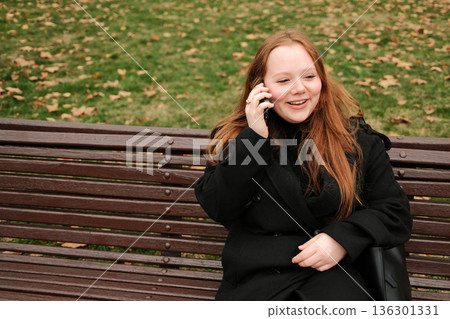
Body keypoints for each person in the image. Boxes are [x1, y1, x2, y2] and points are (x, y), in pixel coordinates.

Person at [194, 30, 412, 301]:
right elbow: (220, 206)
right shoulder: (237, 137)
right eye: (284, 80)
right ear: (259, 87)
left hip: (332, 275)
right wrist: (254, 138)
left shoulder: (355, 139)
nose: (299, 89)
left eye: (309, 76)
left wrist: (342, 239)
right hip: (257, 281)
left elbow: (394, 211)